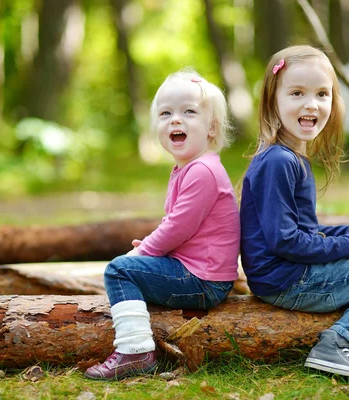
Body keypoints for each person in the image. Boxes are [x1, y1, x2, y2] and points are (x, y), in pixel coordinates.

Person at [239, 45, 349, 380]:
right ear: (272, 101)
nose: (311, 103)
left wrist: (348, 232)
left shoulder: (289, 158)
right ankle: (338, 343)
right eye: (296, 93)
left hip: (289, 271)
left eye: (322, 93)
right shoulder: (279, 161)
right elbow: (286, 242)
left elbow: (303, 230)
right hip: (286, 280)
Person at [85, 69, 240, 380]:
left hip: (203, 280)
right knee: (133, 269)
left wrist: (143, 255)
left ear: (211, 128)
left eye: (188, 112)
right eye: (165, 113)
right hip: (200, 272)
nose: (175, 120)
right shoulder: (188, 168)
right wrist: (149, 247)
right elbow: (179, 223)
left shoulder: (202, 171)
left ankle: (135, 350)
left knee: (118, 270)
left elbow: (178, 227)